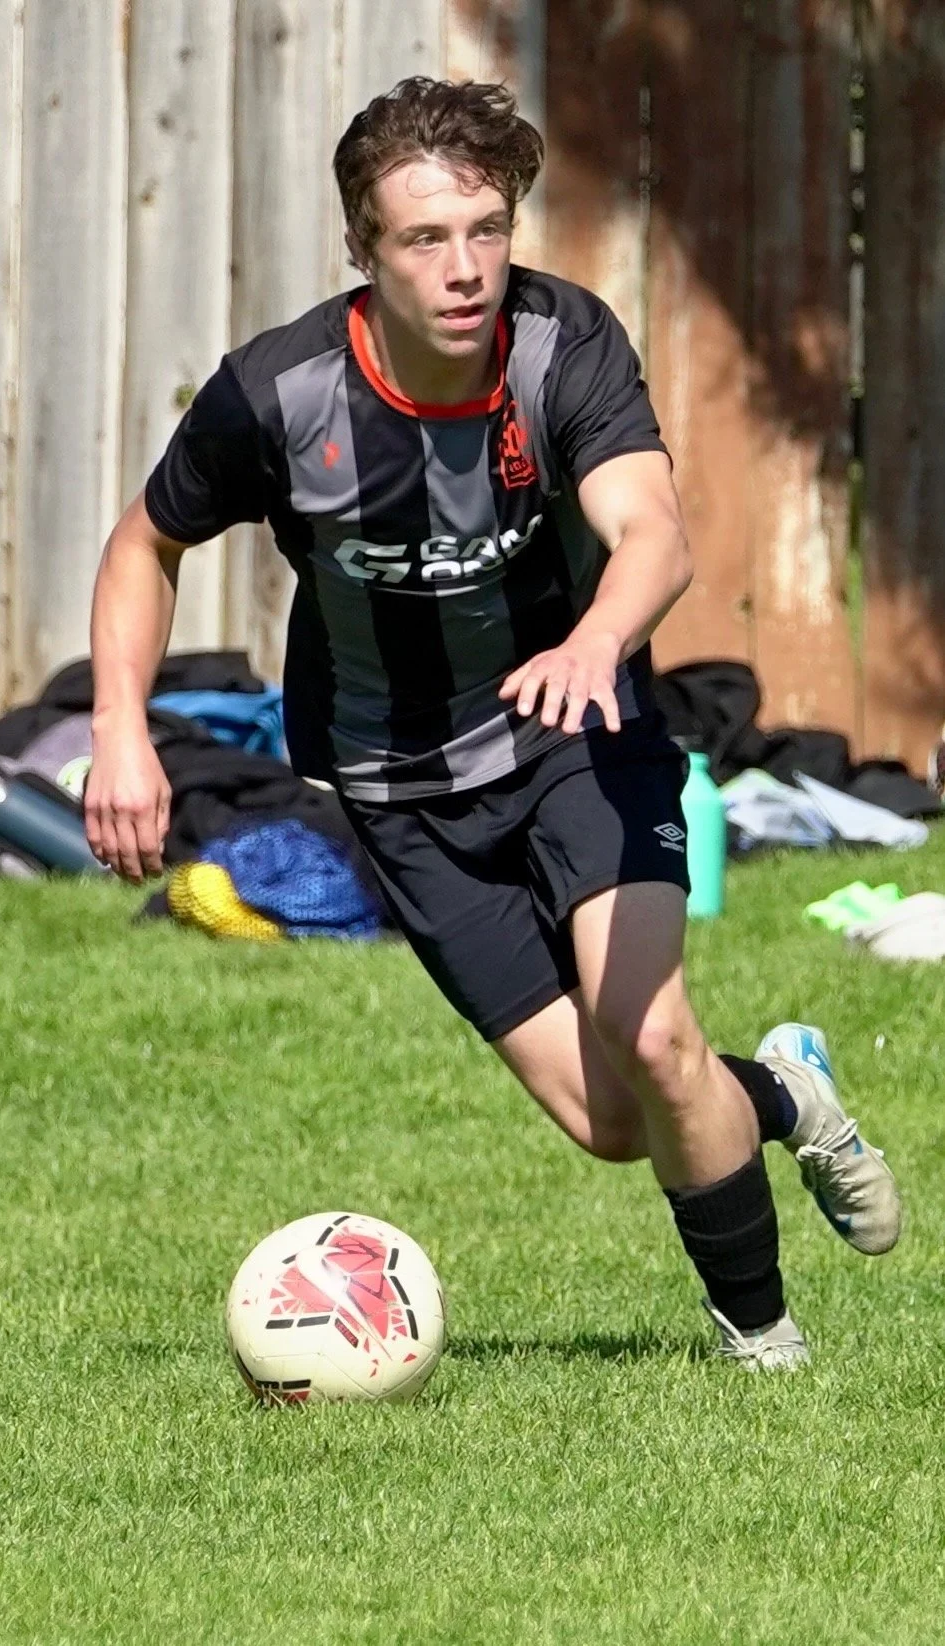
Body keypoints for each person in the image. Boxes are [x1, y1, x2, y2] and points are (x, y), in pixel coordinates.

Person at [85, 77, 900, 1369]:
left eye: (484, 228)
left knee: (650, 1032)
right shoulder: (280, 392)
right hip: (397, 785)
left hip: (578, 731)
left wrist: (590, 641)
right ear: (364, 251)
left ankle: (760, 1346)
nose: (463, 267)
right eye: (424, 237)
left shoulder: (560, 345)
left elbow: (653, 531)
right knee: (613, 1117)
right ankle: (788, 1090)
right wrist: (122, 730)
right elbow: (145, 541)